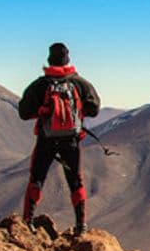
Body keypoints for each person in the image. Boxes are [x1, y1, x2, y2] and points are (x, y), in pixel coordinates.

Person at [18, 42, 101, 233]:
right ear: (67, 59)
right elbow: (94, 109)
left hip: (46, 139)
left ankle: (27, 221)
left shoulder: (40, 85)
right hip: (71, 141)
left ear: (49, 59)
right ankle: (81, 225)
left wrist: (43, 111)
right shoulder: (79, 83)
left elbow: (23, 112)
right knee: (75, 180)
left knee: (37, 178)